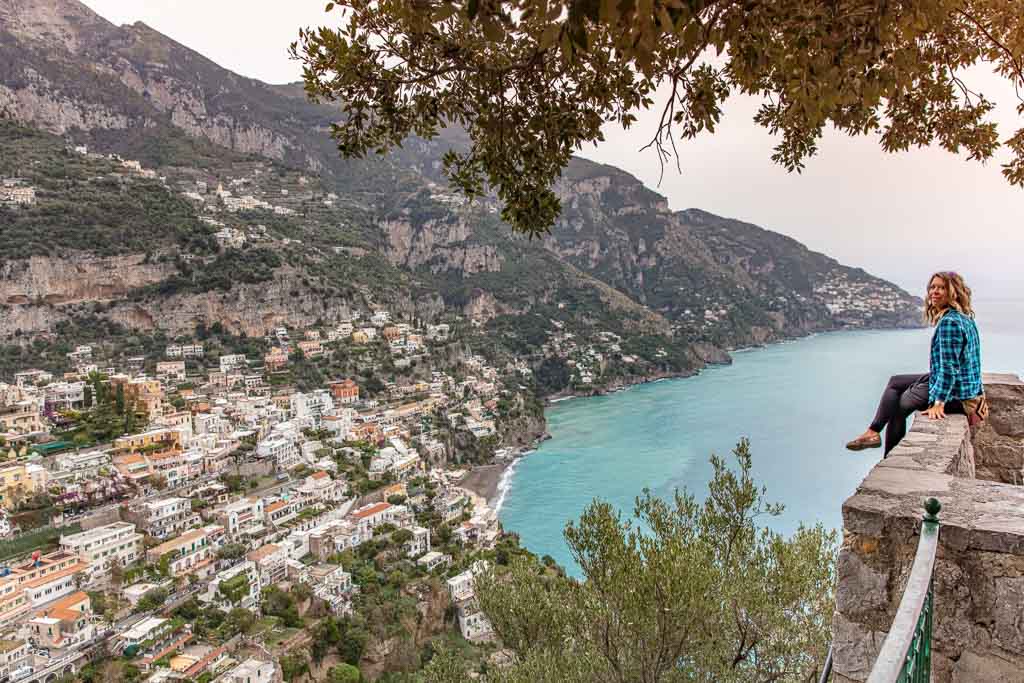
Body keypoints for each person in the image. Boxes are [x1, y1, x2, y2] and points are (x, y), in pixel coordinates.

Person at [845, 271, 984, 456]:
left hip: (956, 395)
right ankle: (872, 432)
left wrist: (939, 403)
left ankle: (888, 459)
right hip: (963, 389)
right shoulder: (966, 319)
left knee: (897, 408)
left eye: (941, 288)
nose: (934, 291)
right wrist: (980, 393)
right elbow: (973, 361)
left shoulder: (949, 323)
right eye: (932, 287)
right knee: (895, 382)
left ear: (954, 292)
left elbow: (949, 368)